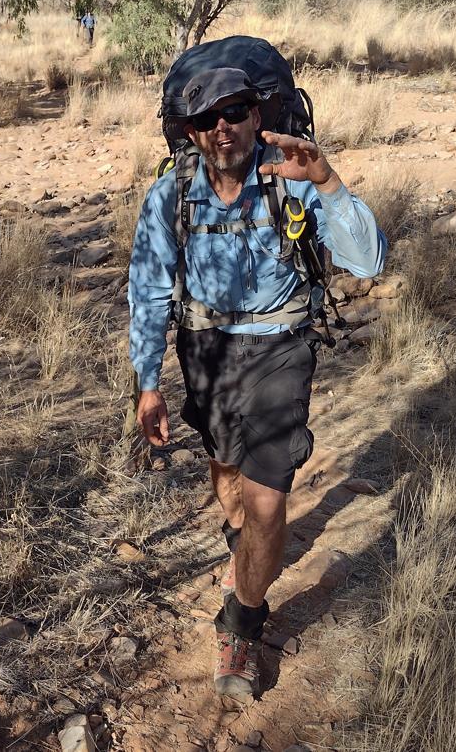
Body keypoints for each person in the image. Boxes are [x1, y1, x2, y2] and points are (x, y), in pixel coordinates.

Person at [127, 66, 385, 699]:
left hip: (280, 349)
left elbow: (367, 260)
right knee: (227, 473)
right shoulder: (170, 195)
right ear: (190, 130)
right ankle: (243, 547)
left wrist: (326, 182)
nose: (224, 127)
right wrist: (147, 382)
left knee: (266, 502)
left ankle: (241, 622)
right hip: (206, 352)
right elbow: (149, 290)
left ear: (257, 116)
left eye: (236, 111)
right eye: (207, 118)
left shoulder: (290, 178)